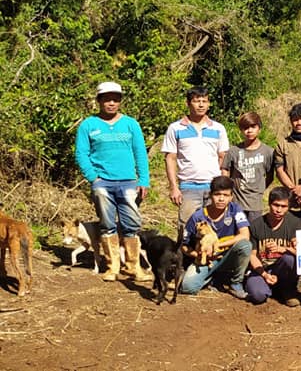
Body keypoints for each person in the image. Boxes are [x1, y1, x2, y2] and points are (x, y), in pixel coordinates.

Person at [74, 81, 153, 282]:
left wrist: (143, 179)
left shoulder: (131, 124)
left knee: (131, 224)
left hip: (128, 182)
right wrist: (93, 177)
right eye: (107, 99)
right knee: (107, 225)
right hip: (102, 183)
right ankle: (112, 267)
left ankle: (133, 267)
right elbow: (81, 154)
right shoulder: (88, 125)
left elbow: (140, 153)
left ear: (120, 101)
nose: (111, 103)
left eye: (115, 99)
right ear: (99, 101)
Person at [162, 86, 230, 226]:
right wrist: (174, 187)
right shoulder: (176, 128)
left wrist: (223, 187)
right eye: (196, 101)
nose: (201, 105)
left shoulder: (218, 128)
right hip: (188, 187)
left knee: (215, 228)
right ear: (188, 103)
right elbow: (170, 158)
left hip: (213, 187)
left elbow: (223, 157)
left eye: (204, 101)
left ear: (209, 103)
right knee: (186, 229)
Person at [180, 176, 252, 299]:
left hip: (227, 255)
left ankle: (236, 282)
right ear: (210, 195)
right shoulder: (198, 217)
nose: (221, 199)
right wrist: (197, 254)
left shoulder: (235, 210)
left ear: (231, 197)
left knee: (245, 244)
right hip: (206, 259)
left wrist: (217, 245)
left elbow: (245, 235)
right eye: (217, 194)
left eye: (225, 195)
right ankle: (213, 277)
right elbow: (184, 246)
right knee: (188, 288)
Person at [245, 187, 301, 306]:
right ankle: (270, 288)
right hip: (263, 269)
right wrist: (264, 275)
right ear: (269, 204)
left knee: (290, 258)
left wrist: (284, 249)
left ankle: (287, 289)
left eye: (283, 206)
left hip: (282, 269)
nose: (279, 210)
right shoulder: (256, 225)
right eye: (276, 205)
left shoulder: (295, 223)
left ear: (288, 207)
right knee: (258, 296)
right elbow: (252, 256)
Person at [221, 111, 274, 221]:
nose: (249, 131)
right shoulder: (234, 151)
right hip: (236, 201)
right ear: (240, 130)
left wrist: (260, 189)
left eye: (253, 127)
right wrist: (227, 191)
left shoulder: (268, 151)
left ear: (259, 128)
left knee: (254, 232)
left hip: (256, 202)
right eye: (245, 128)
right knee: (236, 232)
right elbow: (225, 170)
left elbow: (270, 175)